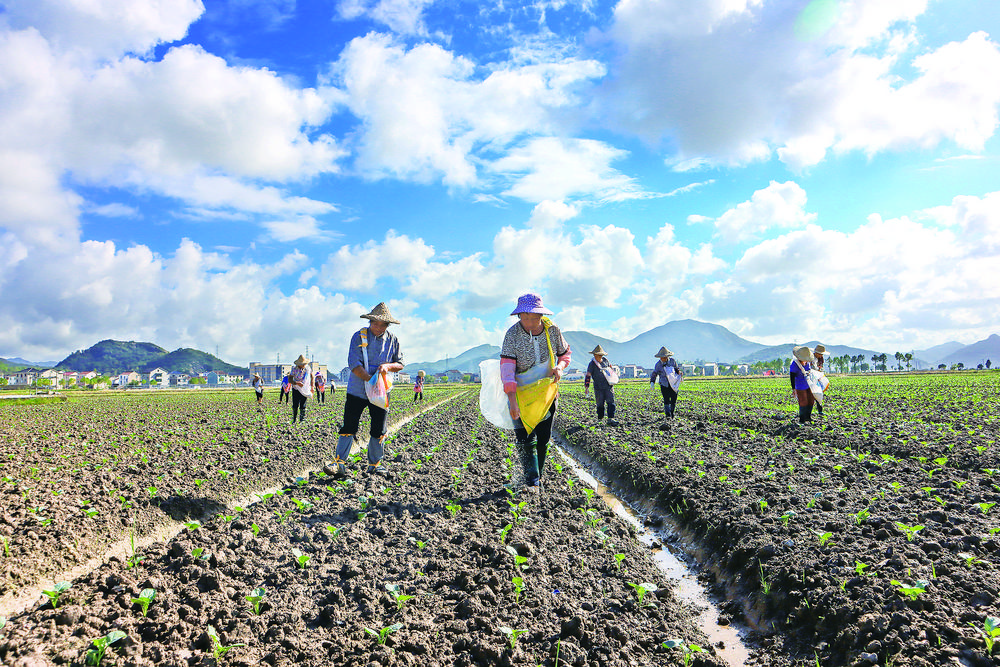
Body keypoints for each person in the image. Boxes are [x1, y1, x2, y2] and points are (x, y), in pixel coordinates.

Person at [500, 293, 571, 492]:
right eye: (525, 318)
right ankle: (532, 482)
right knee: (524, 437)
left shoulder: (552, 330)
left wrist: (560, 367)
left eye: (533, 318)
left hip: (546, 394)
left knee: (543, 436)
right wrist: (512, 400)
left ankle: (534, 477)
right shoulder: (512, 335)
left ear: (541, 315)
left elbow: (565, 354)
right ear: (518, 316)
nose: (529, 322)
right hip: (520, 392)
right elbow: (507, 368)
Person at [335, 302, 404, 476]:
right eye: (375, 323)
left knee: (379, 427)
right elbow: (354, 363)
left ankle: (375, 463)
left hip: (381, 392)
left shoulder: (393, 340)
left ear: (387, 325)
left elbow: (400, 364)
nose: (378, 327)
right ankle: (339, 462)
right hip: (357, 389)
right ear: (370, 321)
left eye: (382, 325)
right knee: (349, 425)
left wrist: (387, 367)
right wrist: (370, 380)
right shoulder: (359, 337)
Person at [583, 345, 618, 425]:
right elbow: (588, 375)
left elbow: (611, 370)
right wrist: (587, 386)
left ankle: (610, 418)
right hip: (598, 387)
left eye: (600, 355)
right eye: (597, 355)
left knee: (611, 402)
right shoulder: (592, 364)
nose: (599, 356)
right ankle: (600, 419)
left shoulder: (606, 361)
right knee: (600, 403)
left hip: (608, 385)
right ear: (594, 355)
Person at [649, 347, 683, 420]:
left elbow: (677, 369)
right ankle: (668, 415)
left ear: (667, 356)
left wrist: (679, 373)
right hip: (664, 384)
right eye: (662, 357)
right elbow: (654, 373)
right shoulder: (658, 365)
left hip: (673, 383)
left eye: (664, 357)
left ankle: (672, 413)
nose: (663, 359)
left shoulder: (672, 361)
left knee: (674, 399)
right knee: (666, 399)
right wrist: (652, 382)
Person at [790, 345, 815, 424]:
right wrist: (794, 389)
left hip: (809, 384)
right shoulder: (794, 364)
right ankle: (802, 419)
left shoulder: (807, 363)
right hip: (800, 386)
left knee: (811, 400)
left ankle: (808, 417)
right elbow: (792, 377)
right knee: (803, 401)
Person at [289, 355, 313, 423]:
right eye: (303, 364)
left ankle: (302, 419)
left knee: (303, 404)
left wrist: (312, 387)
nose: (304, 365)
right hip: (296, 388)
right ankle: (294, 419)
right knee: (295, 404)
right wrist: (296, 383)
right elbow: (290, 379)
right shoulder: (294, 369)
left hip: (304, 388)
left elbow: (312, 377)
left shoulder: (307, 369)